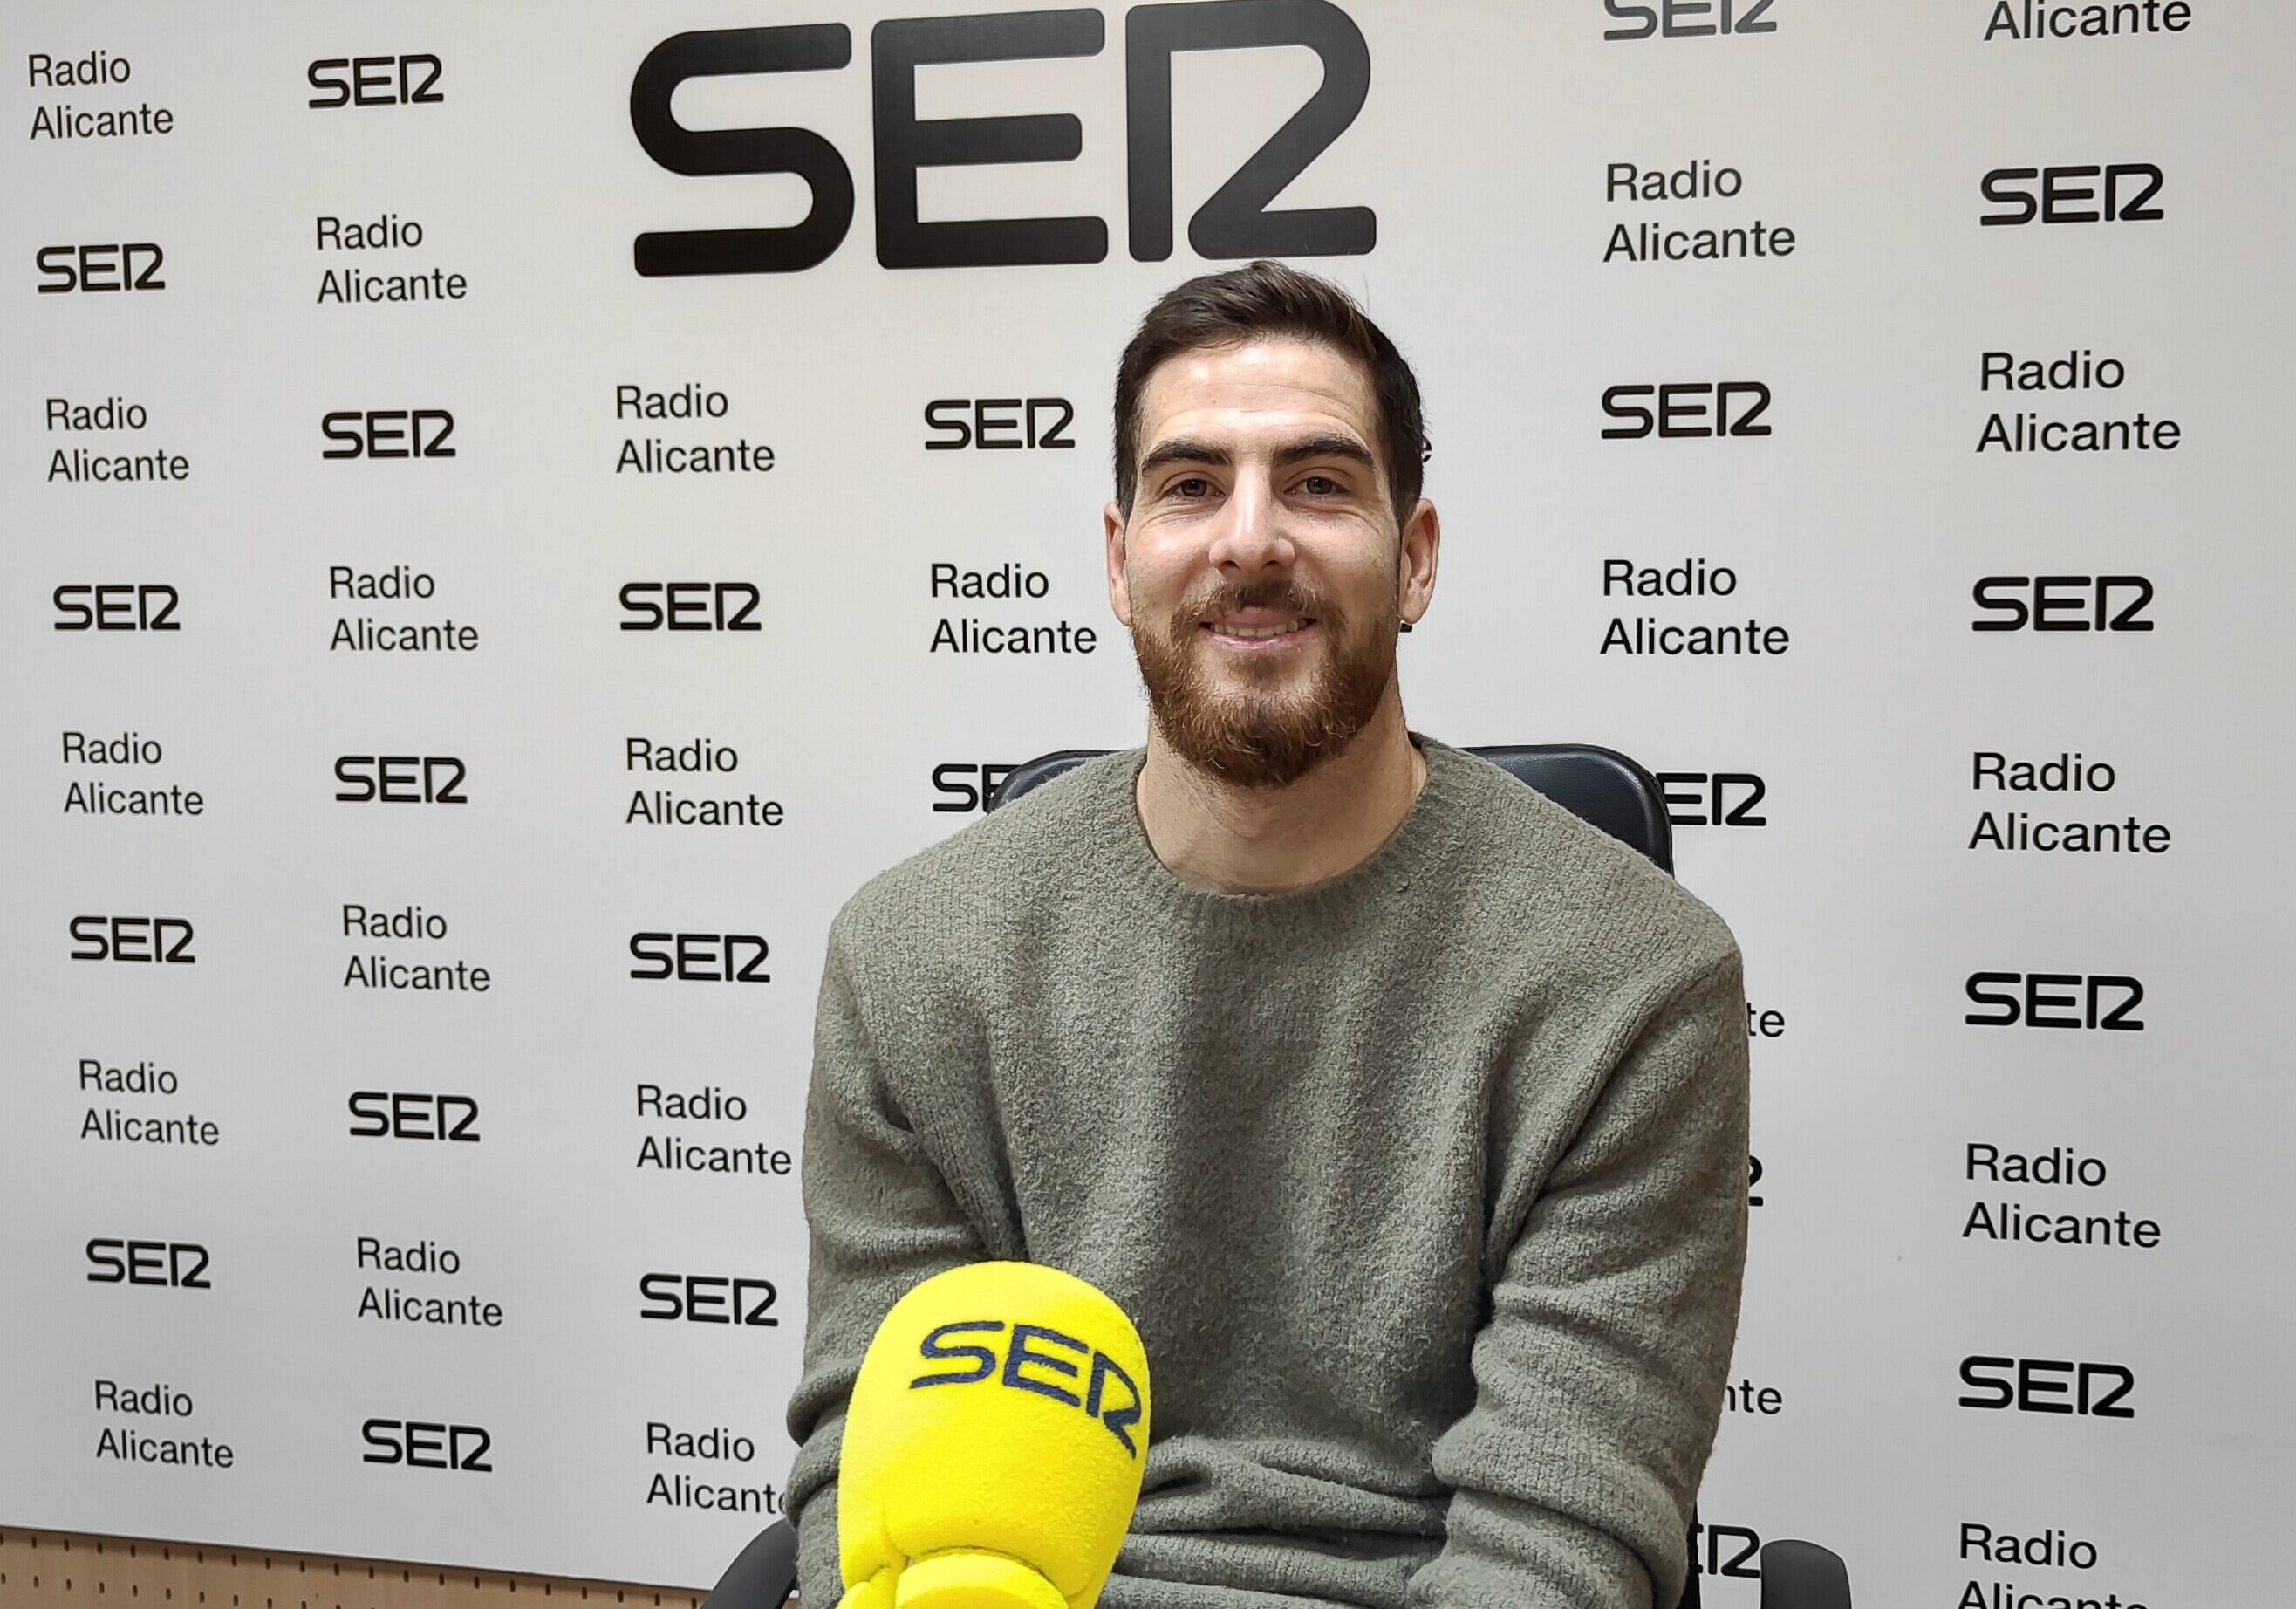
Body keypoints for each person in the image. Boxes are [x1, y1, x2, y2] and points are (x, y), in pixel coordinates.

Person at [786, 260, 1749, 1609]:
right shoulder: (913, 959)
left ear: (1412, 560)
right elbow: (877, 1501)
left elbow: (1558, 1546)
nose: (1249, 539)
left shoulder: (1634, 978)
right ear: (1119, 563)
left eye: (1316, 482)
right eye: (1190, 486)